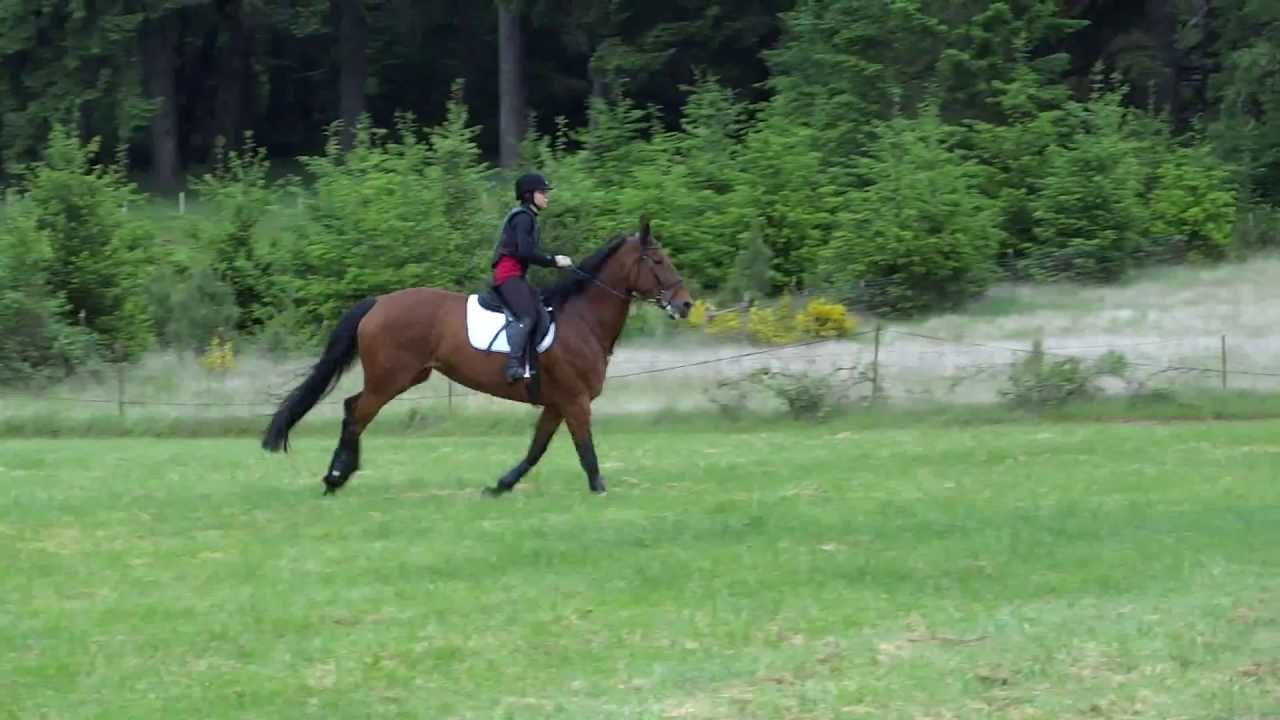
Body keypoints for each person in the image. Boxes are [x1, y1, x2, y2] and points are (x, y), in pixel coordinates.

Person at [490, 172, 573, 382]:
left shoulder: (528, 218)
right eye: (542, 192)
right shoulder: (523, 218)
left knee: (541, 307)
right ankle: (514, 366)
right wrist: (553, 261)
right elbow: (524, 252)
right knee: (528, 315)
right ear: (529, 195)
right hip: (508, 275)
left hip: (516, 275)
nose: (547, 196)